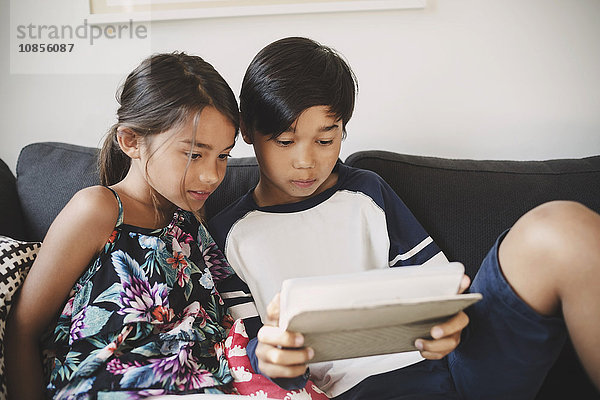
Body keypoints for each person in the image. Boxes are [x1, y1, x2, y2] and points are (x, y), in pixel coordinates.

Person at [208, 37, 600, 399]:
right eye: (285, 141)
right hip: (353, 393)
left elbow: (441, 293)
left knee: (562, 227)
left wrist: (450, 324)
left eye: (326, 139)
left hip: (462, 370)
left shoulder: (367, 192)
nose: (307, 161)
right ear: (247, 129)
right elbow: (258, 357)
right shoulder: (228, 236)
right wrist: (276, 359)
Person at [5, 52, 242, 399]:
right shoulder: (98, 210)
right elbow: (22, 330)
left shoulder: (192, 222)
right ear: (130, 141)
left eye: (223, 155)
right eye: (194, 154)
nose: (212, 175)